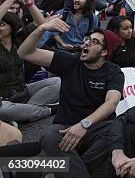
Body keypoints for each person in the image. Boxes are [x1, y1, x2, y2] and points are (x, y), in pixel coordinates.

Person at [17, 20, 125, 178]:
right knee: (49, 136)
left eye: (94, 42)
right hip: (64, 127)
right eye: (87, 39)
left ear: (104, 52)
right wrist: (41, 28)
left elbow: (112, 102)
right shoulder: (69, 61)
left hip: (96, 128)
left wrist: (84, 124)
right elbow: (24, 53)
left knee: (119, 131)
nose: (86, 43)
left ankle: (62, 169)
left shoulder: (113, 72)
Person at [0, 0, 60, 123]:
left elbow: (41, 25)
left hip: (23, 91)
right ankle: (46, 110)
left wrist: (28, 2)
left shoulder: (19, 37)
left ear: (11, 26)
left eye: (2, 24)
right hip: (3, 100)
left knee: (57, 82)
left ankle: (22, 112)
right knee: (4, 109)